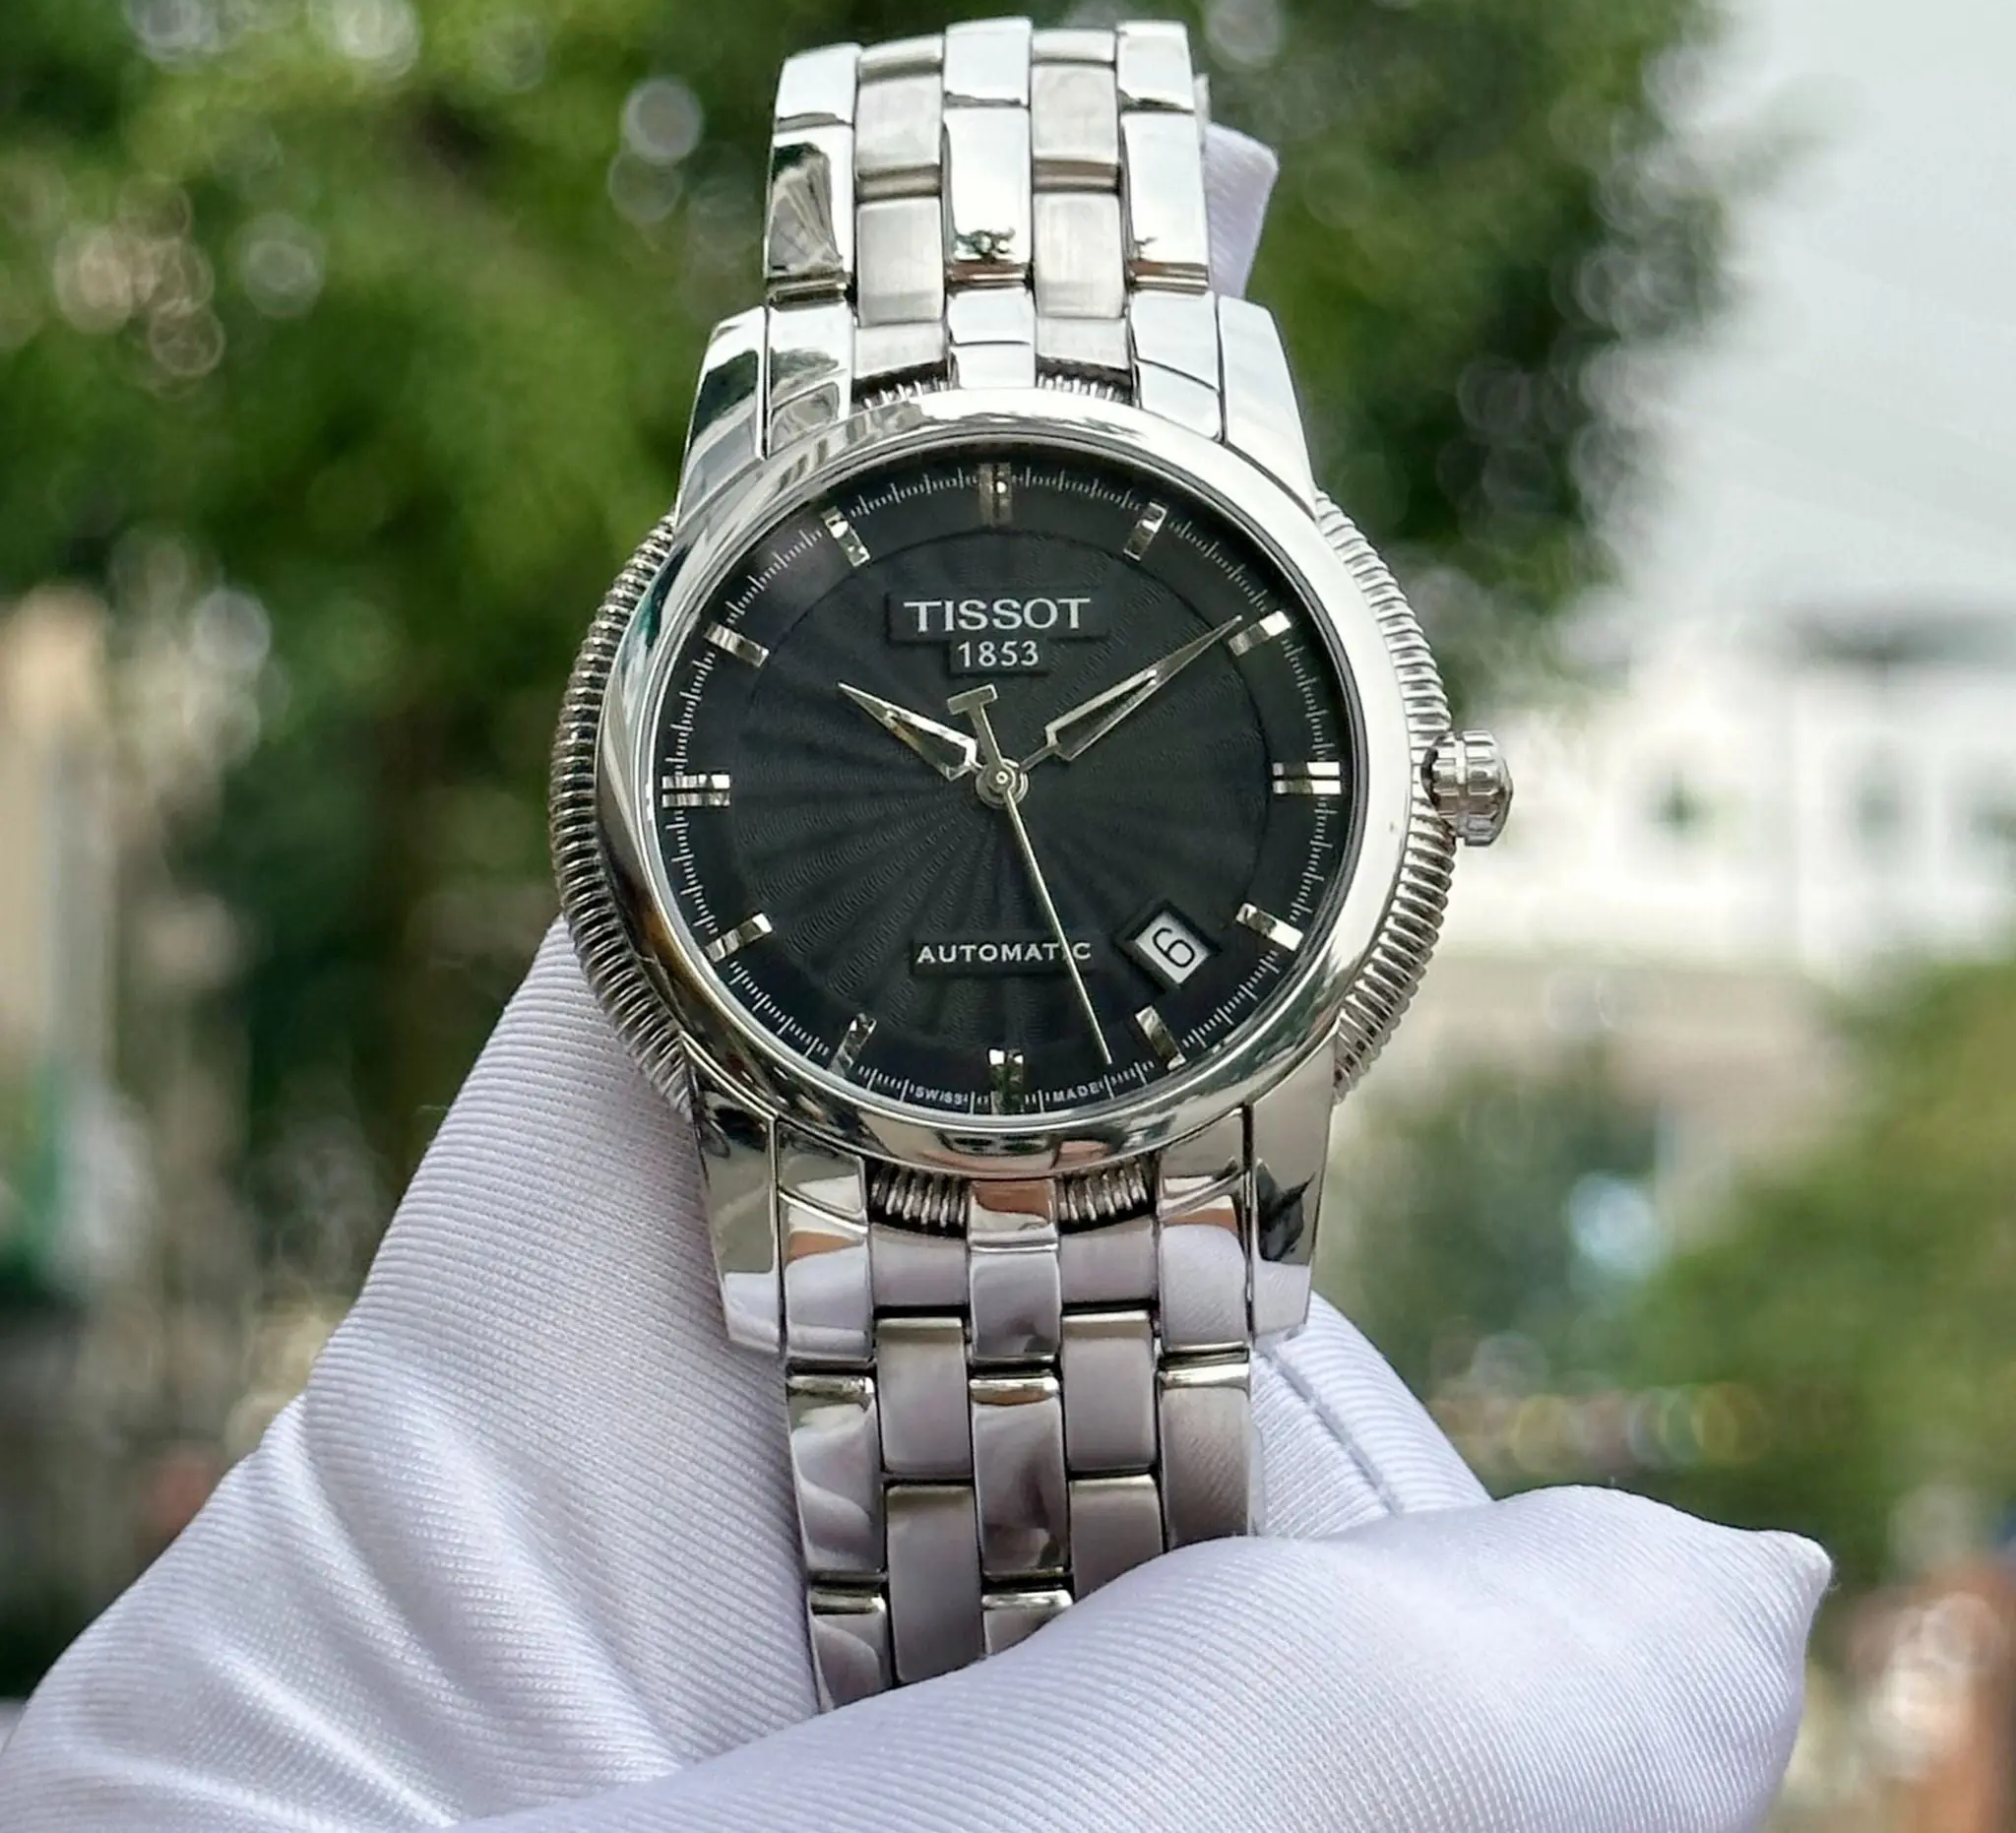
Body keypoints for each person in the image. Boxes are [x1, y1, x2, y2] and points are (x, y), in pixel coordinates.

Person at [0, 133, 1824, 1828]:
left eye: (1043, 748)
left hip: (1043, 1110)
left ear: (1434, 793)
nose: (1004, 771)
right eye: (968, 751)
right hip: (851, 1120)